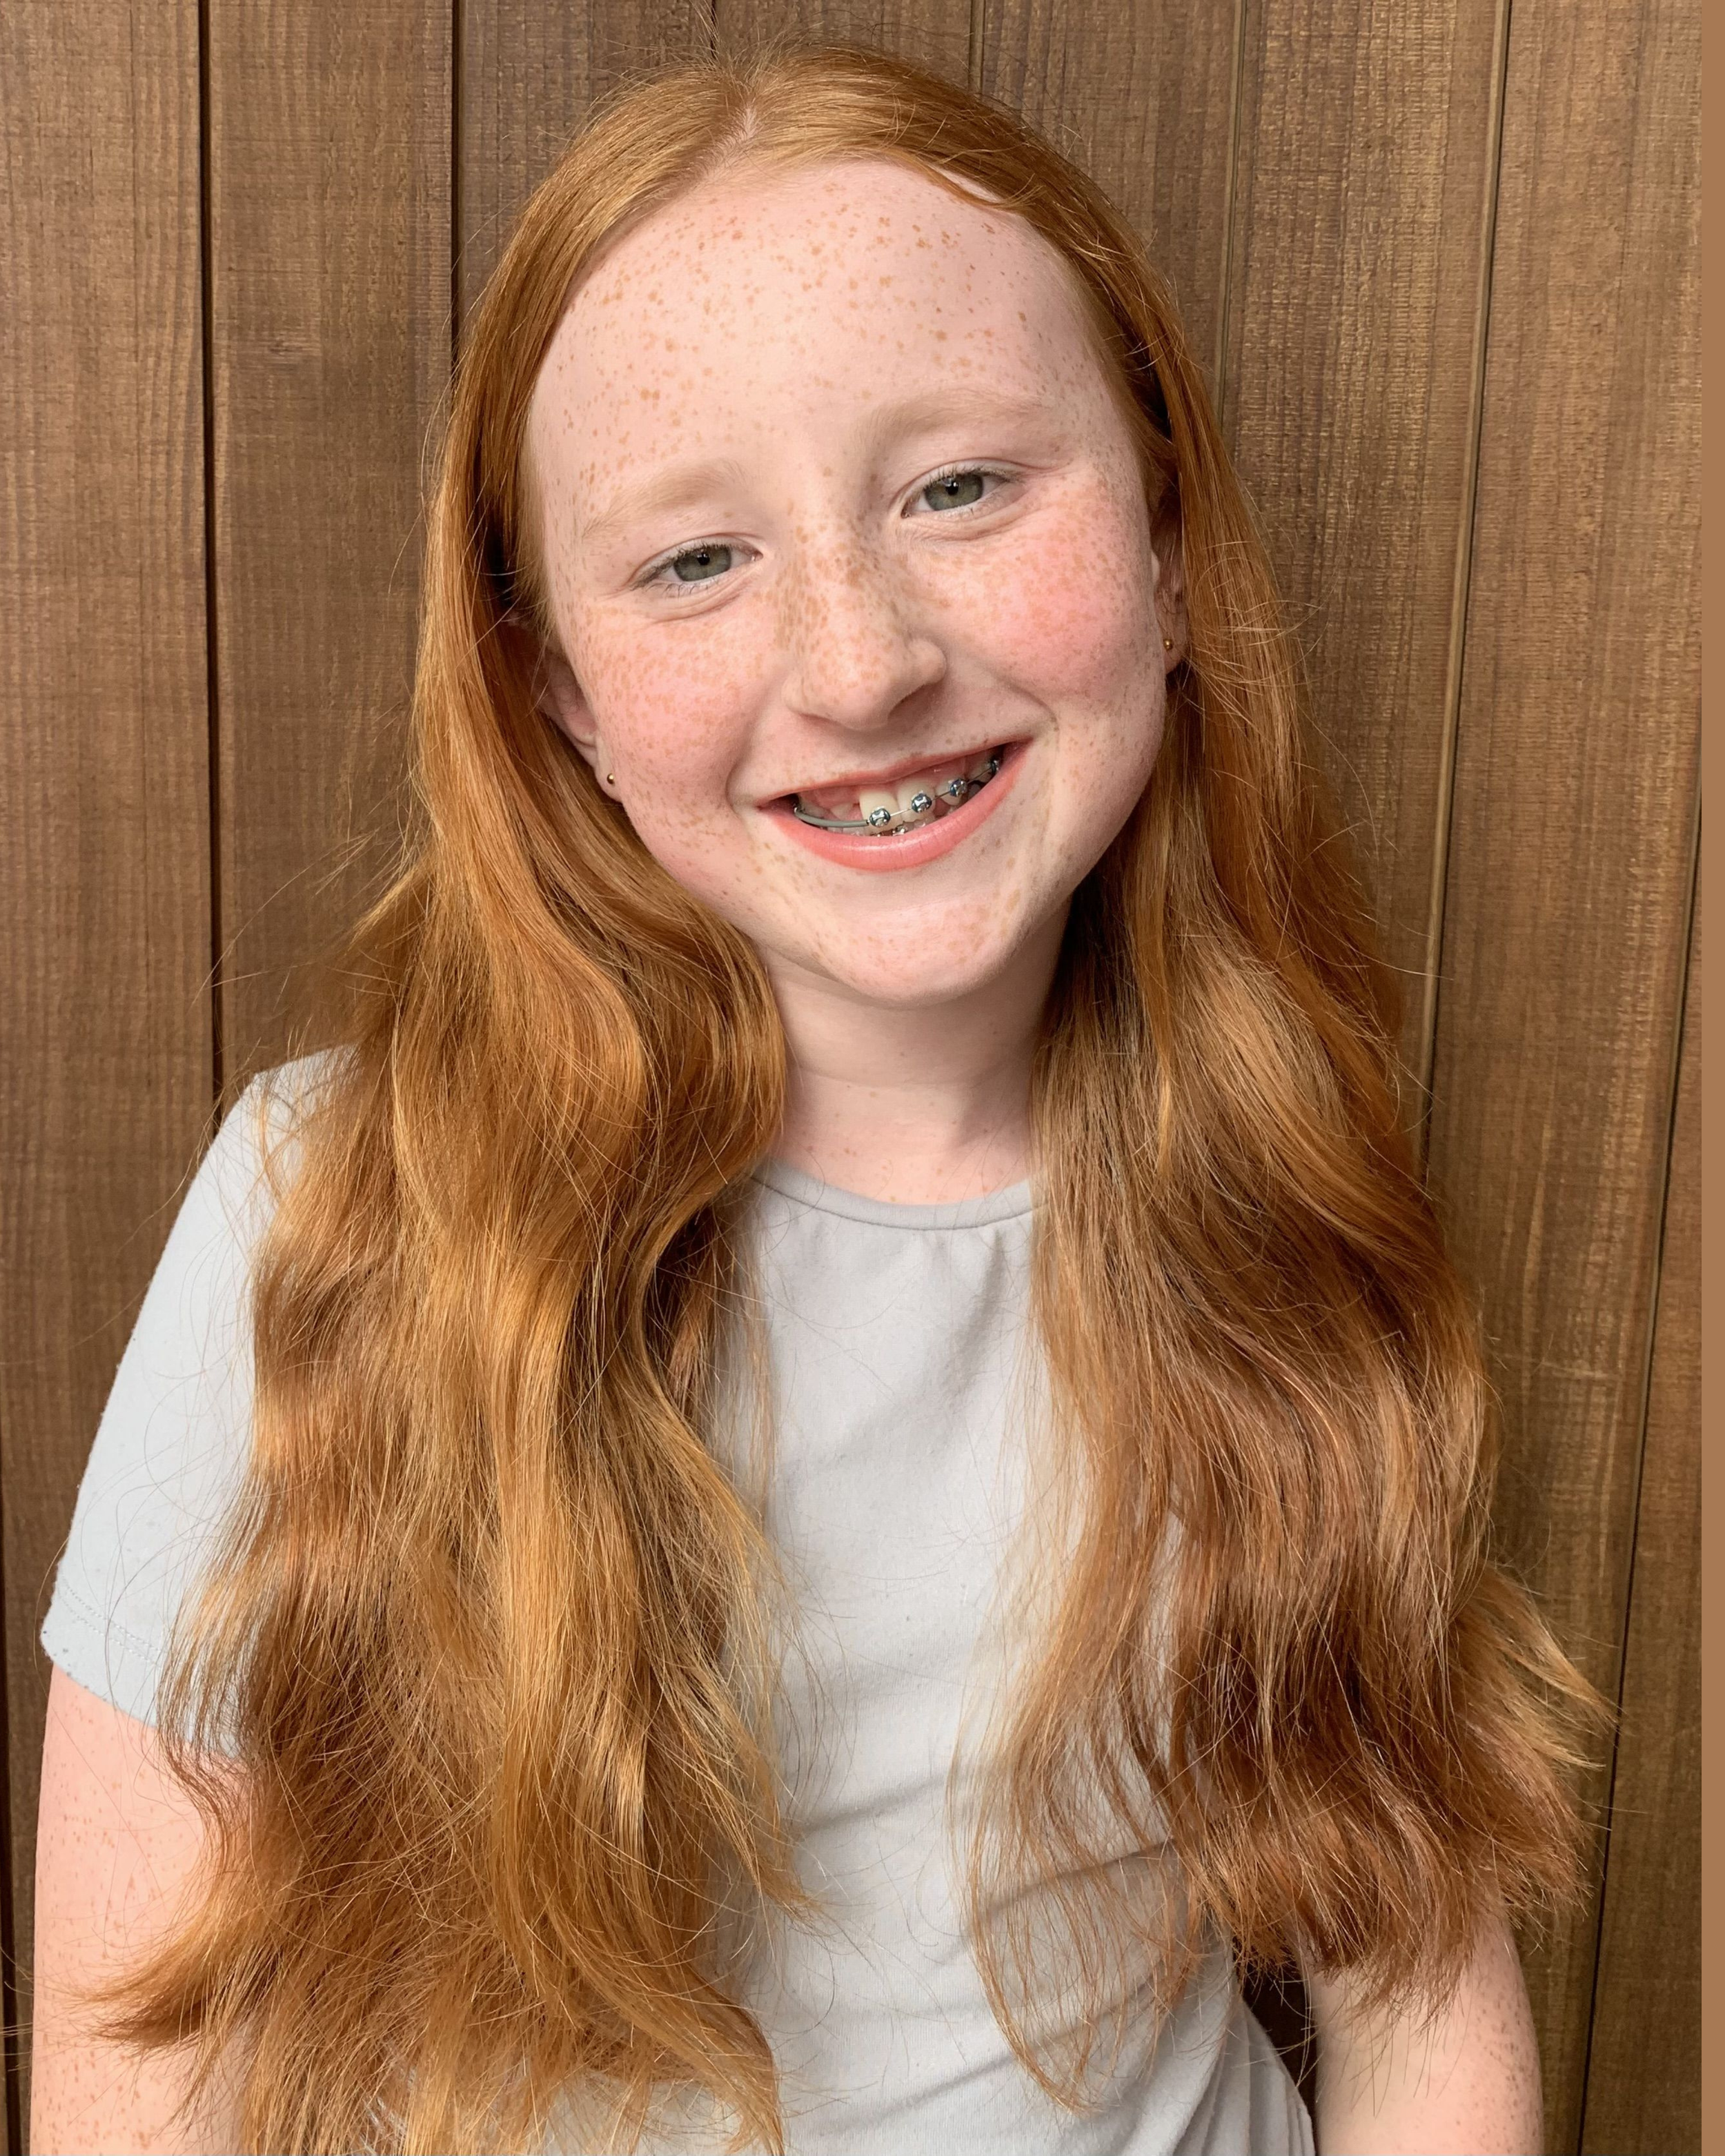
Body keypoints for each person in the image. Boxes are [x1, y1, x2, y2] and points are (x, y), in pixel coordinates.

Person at [30, 41, 1600, 2156]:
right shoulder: (329, 1208)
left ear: (1160, 517)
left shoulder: (1272, 1179)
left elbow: (1415, 1974)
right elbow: (147, 2068)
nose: (858, 661)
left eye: (959, 487)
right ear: (556, 690)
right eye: (694, 561)